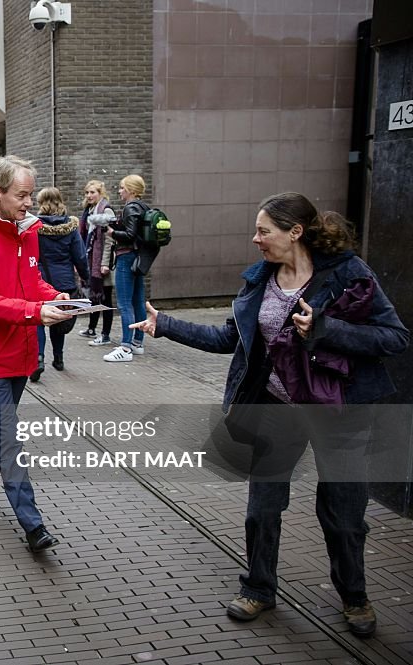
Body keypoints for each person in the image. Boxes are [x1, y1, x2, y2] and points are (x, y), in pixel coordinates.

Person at [131, 192, 409, 637]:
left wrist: (326, 329)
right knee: (262, 509)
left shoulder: (348, 274)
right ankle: (258, 588)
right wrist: (165, 325)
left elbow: (394, 338)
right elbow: (229, 339)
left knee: (343, 514)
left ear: (294, 232)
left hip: (337, 412)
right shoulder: (261, 279)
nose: (255, 238)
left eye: (264, 231)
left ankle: (354, 596)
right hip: (277, 407)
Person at [0, 155, 75, 553]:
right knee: (9, 436)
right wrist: (36, 311)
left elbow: (31, 280)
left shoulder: (28, 231)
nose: (29, 203)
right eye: (22, 196)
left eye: (31, 196)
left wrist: (55, 297)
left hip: (19, 350)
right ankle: (32, 525)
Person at [31, 186, 89, 381]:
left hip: (40, 281)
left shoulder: (34, 227)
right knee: (59, 319)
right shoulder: (71, 227)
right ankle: (59, 358)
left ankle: (38, 358)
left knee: (38, 319)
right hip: (65, 282)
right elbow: (80, 257)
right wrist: (85, 277)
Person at [104, 175, 150, 362]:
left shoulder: (130, 208)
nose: (119, 191)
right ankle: (138, 343)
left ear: (131, 189)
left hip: (126, 257)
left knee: (124, 303)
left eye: (122, 188)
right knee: (138, 300)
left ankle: (125, 347)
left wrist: (112, 232)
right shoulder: (143, 207)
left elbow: (130, 235)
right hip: (139, 258)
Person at [75, 180, 116, 345]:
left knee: (105, 299)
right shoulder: (88, 211)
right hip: (91, 261)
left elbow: (109, 241)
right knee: (93, 297)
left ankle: (105, 335)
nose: (89, 195)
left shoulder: (106, 211)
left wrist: (104, 264)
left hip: (101, 263)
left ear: (100, 193)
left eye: (93, 192)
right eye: (87, 192)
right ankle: (91, 329)